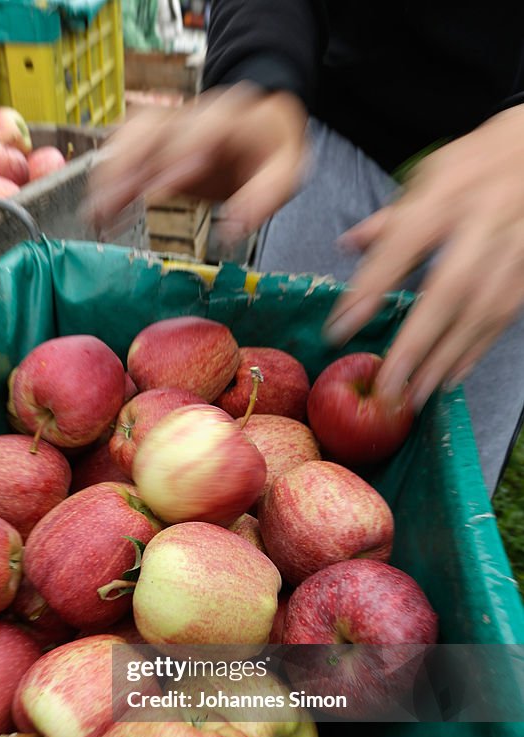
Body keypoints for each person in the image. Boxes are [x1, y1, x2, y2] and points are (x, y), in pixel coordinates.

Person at [89, 0, 524, 494]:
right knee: (285, 397)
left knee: (447, 487)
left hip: (507, 204)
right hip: (332, 144)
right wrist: (258, 68)